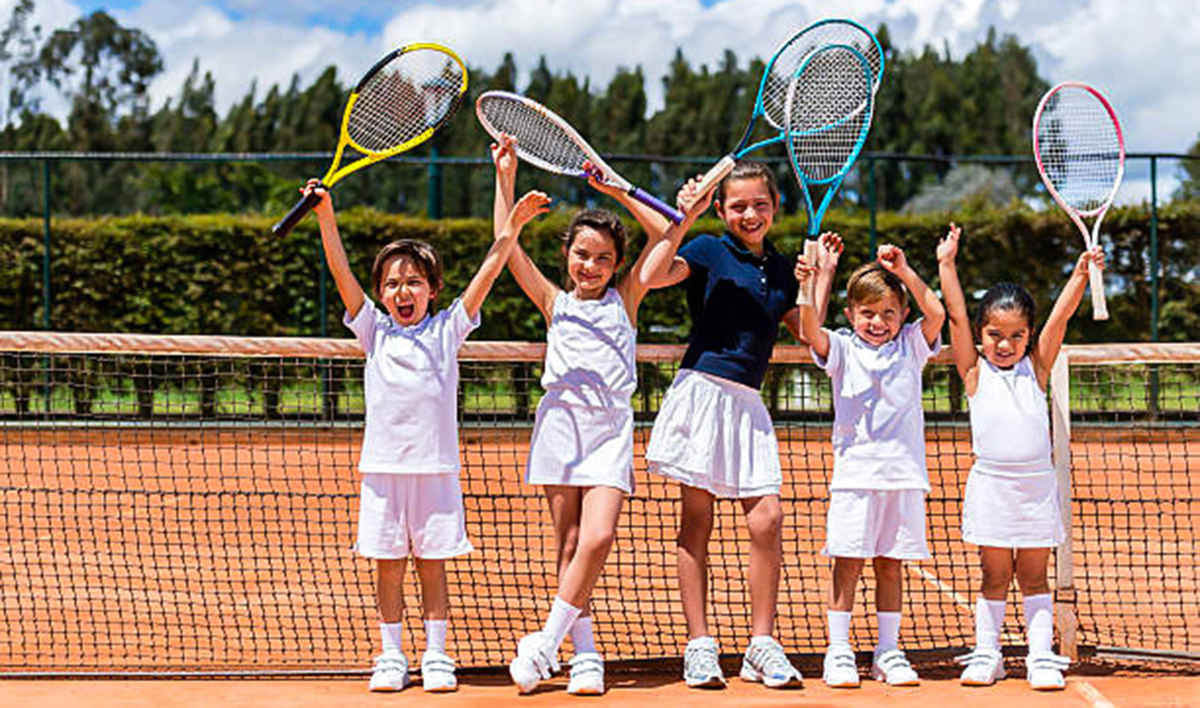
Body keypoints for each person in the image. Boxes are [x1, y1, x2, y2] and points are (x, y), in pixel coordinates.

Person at [306, 178, 550, 692]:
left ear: (433, 290)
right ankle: (391, 655)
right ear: (381, 294)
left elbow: (489, 270)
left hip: (435, 472)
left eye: (414, 282)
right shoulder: (374, 329)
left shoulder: (448, 330)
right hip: (382, 473)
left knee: (432, 567)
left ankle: (437, 655)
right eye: (393, 283)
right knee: (388, 566)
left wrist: (513, 225)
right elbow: (340, 271)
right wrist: (326, 214)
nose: (402, 291)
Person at [492, 135, 713, 695]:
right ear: (566, 254)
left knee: (599, 537)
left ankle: (544, 642)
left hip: (609, 432)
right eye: (582, 254)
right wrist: (506, 179)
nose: (591, 265)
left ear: (617, 264)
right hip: (559, 428)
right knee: (568, 545)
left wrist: (617, 189)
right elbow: (505, 246)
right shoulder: (552, 301)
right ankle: (585, 655)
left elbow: (667, 233)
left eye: (603, 258)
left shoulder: (629, 297)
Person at [642, 160, 841, 690]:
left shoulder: (779, 267)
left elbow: (808, 332)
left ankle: (761, 645)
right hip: (702, 392)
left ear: (774, 207)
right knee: (696, 521)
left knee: (767, 519)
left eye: (759, 204)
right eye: (737, 206)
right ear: (723, 210)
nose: (748, 213)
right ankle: (700, 646)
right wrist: (683, 218)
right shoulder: (707, 249)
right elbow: (650, 276)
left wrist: (820, 277)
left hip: (748, 403)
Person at [938, 224, 1102, 690]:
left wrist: (1080, 274)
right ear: (983, 333)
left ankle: (1040, 657)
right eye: (994, 334)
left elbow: (1061, 319)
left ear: (1028, 336)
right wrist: (947, 264)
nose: (1004, 344)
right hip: (991, 486)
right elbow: (954, 316)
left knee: (1033, 574)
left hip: (1035, 488)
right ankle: (988, 654)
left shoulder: (1038, 368)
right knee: (994, 573)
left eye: (1016, 335)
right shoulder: (972, 371)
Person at [795, 241, 946, 688]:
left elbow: (935, 314)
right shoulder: (841, 348)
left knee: (890, 564)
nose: (878, 322)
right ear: (850, 314)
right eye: (867, 313)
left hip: (903, 478)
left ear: (901, 316)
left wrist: (904, 269)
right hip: (855, 478)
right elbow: (808, 328)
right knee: (848, 562)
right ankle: (838, 650)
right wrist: (817, 277)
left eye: (888, 313)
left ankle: (888, 651)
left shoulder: (911, 346)